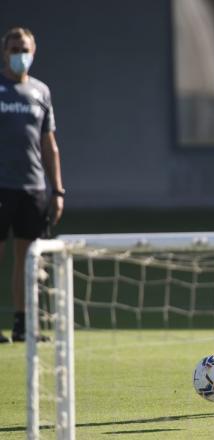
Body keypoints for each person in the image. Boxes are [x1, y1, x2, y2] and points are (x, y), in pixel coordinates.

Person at [0, 27, 64, 344]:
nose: (19, 54)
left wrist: (58, 189)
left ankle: (24, 324)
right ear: (4, 52)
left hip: (33, 187)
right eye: (14, 48)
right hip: (2, 186)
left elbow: (49, 145)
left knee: (28, 261)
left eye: (24, 48)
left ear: (33, 51)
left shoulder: (41, 92)